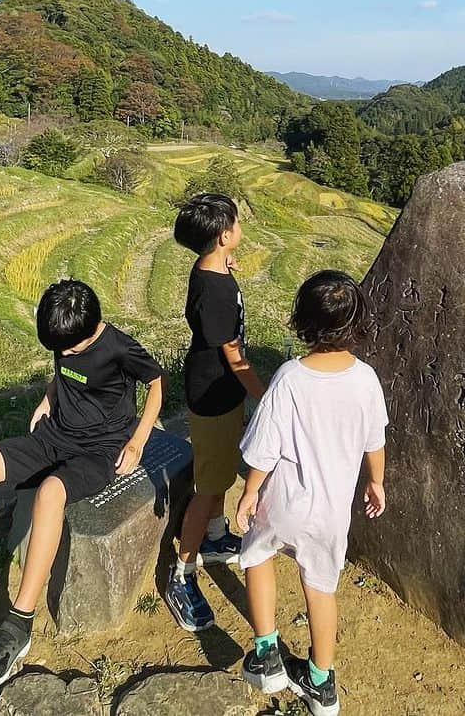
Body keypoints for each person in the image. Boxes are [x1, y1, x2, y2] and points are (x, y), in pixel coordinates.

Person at [0, 280, 163, 687]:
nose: (63, 354)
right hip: (55, 434)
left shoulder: (118, 347)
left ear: (92, 328)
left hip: (99, 451)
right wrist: (48, 397)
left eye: (70, 348)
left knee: (50, 494)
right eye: (57, 349)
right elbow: (63, 374)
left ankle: (20, 621)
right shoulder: (66, 336)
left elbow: (156, 384)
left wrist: (137, 442)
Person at [236, 271, 388, 716]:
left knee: (257, 555)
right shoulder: (366, 380)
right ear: (357, 322)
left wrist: (249, 493)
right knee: (320, 588)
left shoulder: (289, 378)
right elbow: (374, 443)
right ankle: (321, 683)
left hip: (283, 502)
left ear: (302, 320)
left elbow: (264, 449)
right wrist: (376, 482)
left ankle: (267, 655)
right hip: (330, 513)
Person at [166, 192, 266, 632]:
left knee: (221, 468)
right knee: (208, 485)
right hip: (213, 393)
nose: (241, 227)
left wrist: (227, 270)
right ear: (225, 237)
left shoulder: (211, 269)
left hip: (216, 389)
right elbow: (234, 354)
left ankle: (216, 533)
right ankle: (182, 572)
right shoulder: (218, 292)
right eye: (237, 223)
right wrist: (264, 395)